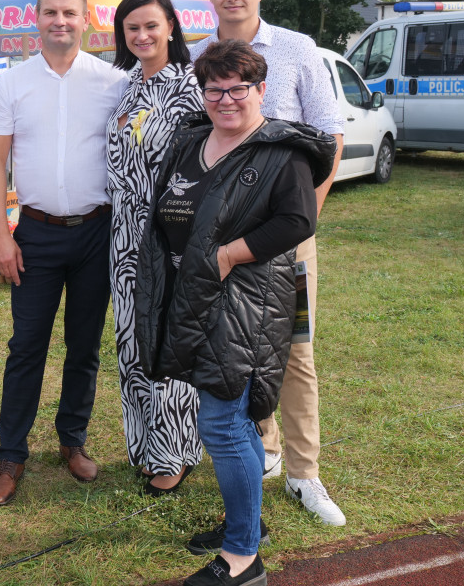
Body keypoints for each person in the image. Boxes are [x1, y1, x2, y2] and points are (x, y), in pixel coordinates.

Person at [135, 40, 336, 586]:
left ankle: (244, 557)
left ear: (261, 90)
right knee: (228, 418)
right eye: (214, 89)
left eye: (237, 89)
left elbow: (298, 221)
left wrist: (229, 254)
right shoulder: (192, 143)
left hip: (246, 298)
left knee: (222, 419)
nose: (225, 99)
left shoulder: (281, 153)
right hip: (193, 293)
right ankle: (249, 522)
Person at [190, 0, 347, 527]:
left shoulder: (297, 50)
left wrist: (306, 216)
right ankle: (268, 450)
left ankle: (305, 473)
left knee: (295, 354)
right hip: (223, 239)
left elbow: (329, 136)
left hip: (286, 234)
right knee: (236, 350)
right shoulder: (199, 57)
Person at [0, 0, 128, 505]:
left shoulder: (113, 82)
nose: (59, 22)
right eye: (50, 13)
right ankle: (11, 456)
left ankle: (73, 441)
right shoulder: (12, 82)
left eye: (69, 13)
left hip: (96, 230)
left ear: (86, 19)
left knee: (84, 346)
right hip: (36, 233)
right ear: (36, 18)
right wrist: (2, 235)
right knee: (26, 347)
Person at [106, 0, 205, 496]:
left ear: (171, 25)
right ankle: (144, 446)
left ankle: (174, 453)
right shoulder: (125, 88)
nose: (142, 36)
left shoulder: (191, 88)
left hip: (170, 240)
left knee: (168, 344)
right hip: (122, 240)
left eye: (150, 25)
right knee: (132, 341)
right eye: (131, 28)